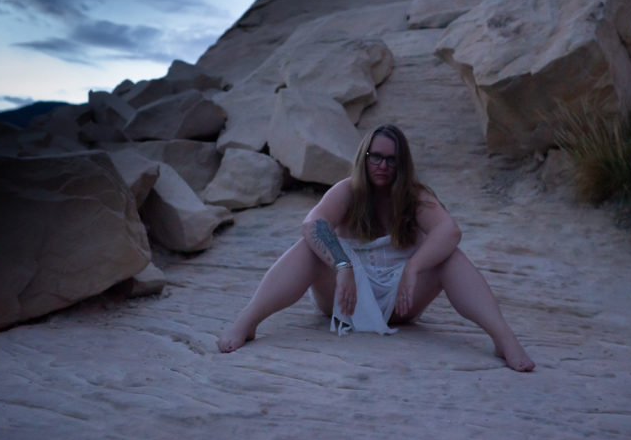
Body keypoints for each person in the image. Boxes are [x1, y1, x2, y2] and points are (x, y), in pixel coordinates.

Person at [217, 124, 535, 372]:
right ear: (364, 158)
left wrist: (414, 267)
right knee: (305, 248)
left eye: (391, 159)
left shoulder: (414, 195)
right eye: (376, 157)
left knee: (451, 258)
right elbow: (313, 224)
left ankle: (502, 337)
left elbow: (449, 230)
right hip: (346, 297)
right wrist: (343, 266)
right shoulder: (348, 191)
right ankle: (247, 322)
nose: (383, 165)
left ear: (402, 163)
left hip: (400, 300)